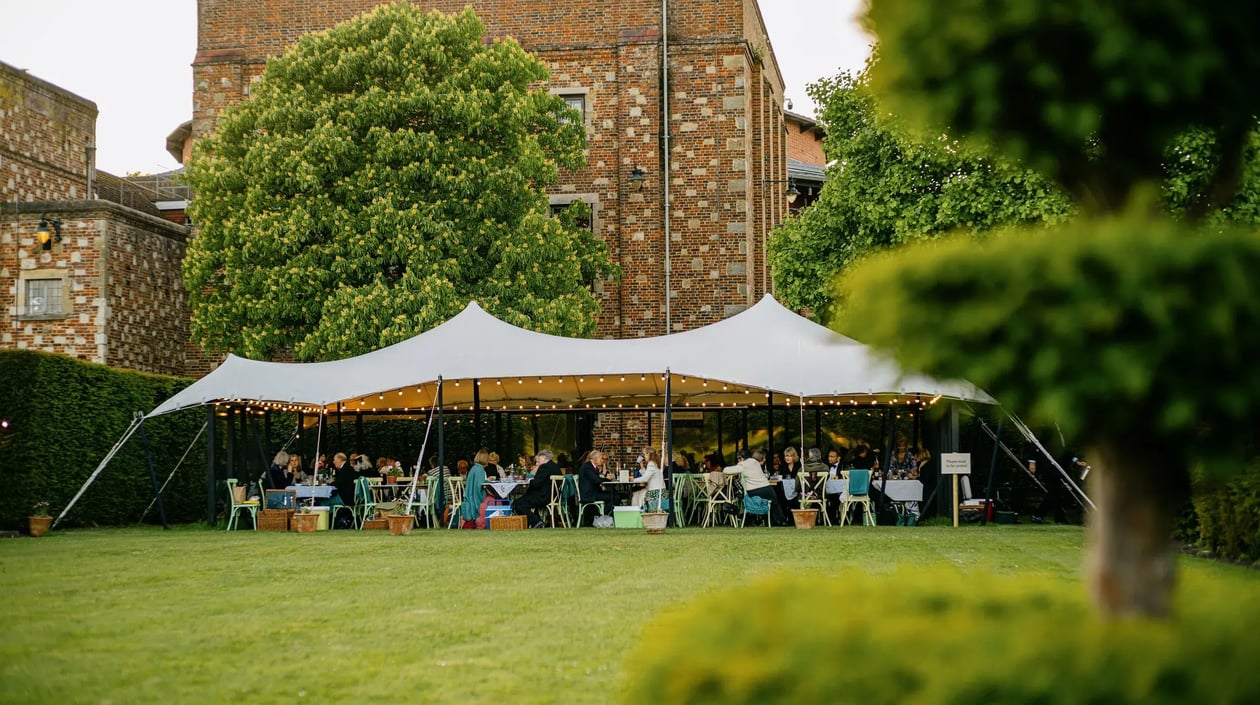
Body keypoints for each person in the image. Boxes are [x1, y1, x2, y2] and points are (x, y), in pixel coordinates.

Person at [724, 449, 787, 526]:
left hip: (753, 491)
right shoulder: (756, 463)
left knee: (754, 500)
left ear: (741, 459)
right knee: (775, 502)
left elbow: (726, 470)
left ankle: (755, 518)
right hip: (766, 488)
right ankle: (780, 520)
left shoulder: (742, 465)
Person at [513, 449, 560, 528]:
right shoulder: (555, 467)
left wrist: (529, 481)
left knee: (517, 504)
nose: (537, 460)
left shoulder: (544, 467)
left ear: (544, 457)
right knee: (522, 502)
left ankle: (536, 521)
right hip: (553, 496)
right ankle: (534, 521)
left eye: (539, 458)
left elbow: (536, 484)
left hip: (543, 497)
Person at [577, 449, 616, 520]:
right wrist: (607, 479)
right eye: (601, 458)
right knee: (615, 497)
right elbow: (596, 480)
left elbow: (597, 479)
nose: (602, 460)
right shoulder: (587, 467)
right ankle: (605, 518)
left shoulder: (593, 467)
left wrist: (605, 477)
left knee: (615, 494)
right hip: (589, 494)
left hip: (594, 492)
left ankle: (606, 516)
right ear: (595, 458)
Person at [459, 450, 489, 528]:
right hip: (474, 499)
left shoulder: (474, 468)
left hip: (469, 497)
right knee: (492, 500)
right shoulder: (480, 470)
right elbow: (479, 487)